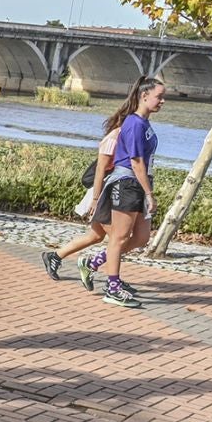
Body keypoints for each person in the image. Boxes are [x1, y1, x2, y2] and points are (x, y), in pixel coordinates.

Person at [47, 77, 161, 308]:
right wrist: (148, 194)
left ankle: (92, 262)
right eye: (159, 96)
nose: (163, 101)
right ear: (144, 96)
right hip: (126, 184)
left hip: (139, 183)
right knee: (115, 238)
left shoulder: (144, 124)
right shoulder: (133, 125)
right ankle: (112, 286)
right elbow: (134, 161)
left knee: (140, 237)